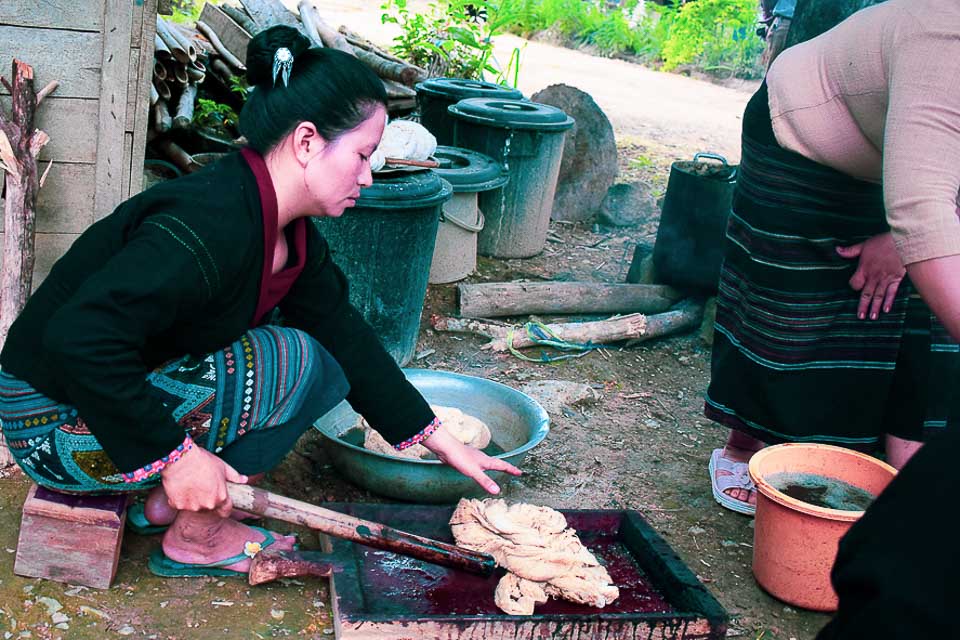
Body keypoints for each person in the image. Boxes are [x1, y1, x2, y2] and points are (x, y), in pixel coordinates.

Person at [0, 25, 520, 577]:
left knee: (322, 351)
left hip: (94, 402)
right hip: (50, 426)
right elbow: (78, 338)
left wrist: (434, 436)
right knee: (294, 360)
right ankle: (196, 537)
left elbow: (343, 331)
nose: (368, 177)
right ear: (306, 142)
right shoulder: (207, 224)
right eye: (364, 155)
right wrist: (173, 456)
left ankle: (168, 503)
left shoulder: (284, 227)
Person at [704, 0, 960, 515]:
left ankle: (909, 474)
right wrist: (908, 231)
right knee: (790, 306)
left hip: (910, 164)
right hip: (804, 130)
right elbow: (922, 208)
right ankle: (744, 446)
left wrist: (899, 240)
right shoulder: (944, 32)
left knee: (925, 321)